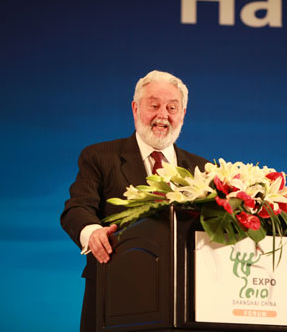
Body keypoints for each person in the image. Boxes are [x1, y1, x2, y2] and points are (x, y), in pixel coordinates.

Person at [60, 70, 208, 331]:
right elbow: (77, 208)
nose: (163, 115)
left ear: (183, 114)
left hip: (184, 300)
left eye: (172, 107)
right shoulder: (100, 156)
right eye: (154, 105)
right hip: (115, 290)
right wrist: (93, 234)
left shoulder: (203, 169)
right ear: (135, 108)